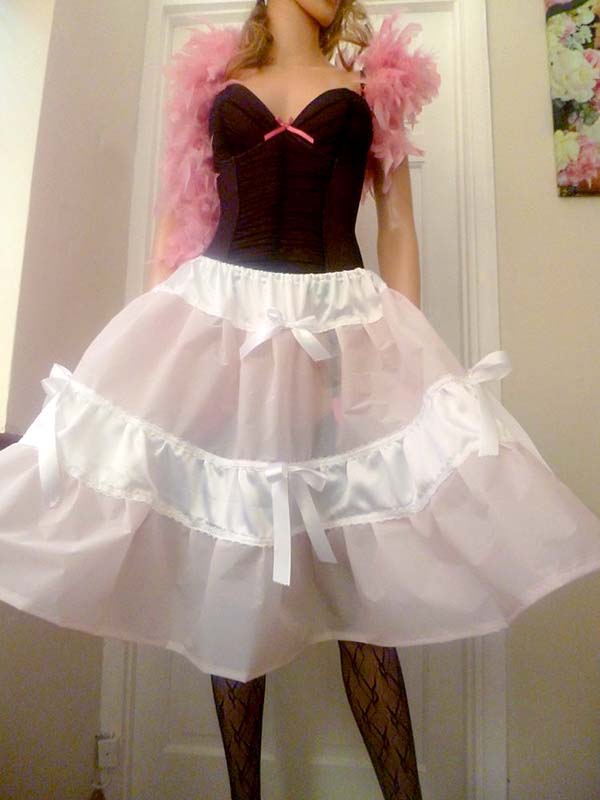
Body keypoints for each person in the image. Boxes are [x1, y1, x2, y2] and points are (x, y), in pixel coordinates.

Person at [1, 2, 600, 800]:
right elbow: (175, 225)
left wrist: (393, 373)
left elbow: (397, 230)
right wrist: (161, 374)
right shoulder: (213, 82)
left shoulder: (372, 84)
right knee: (231, 572)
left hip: (337, 331)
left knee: (362, 588)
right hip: (224, 338)